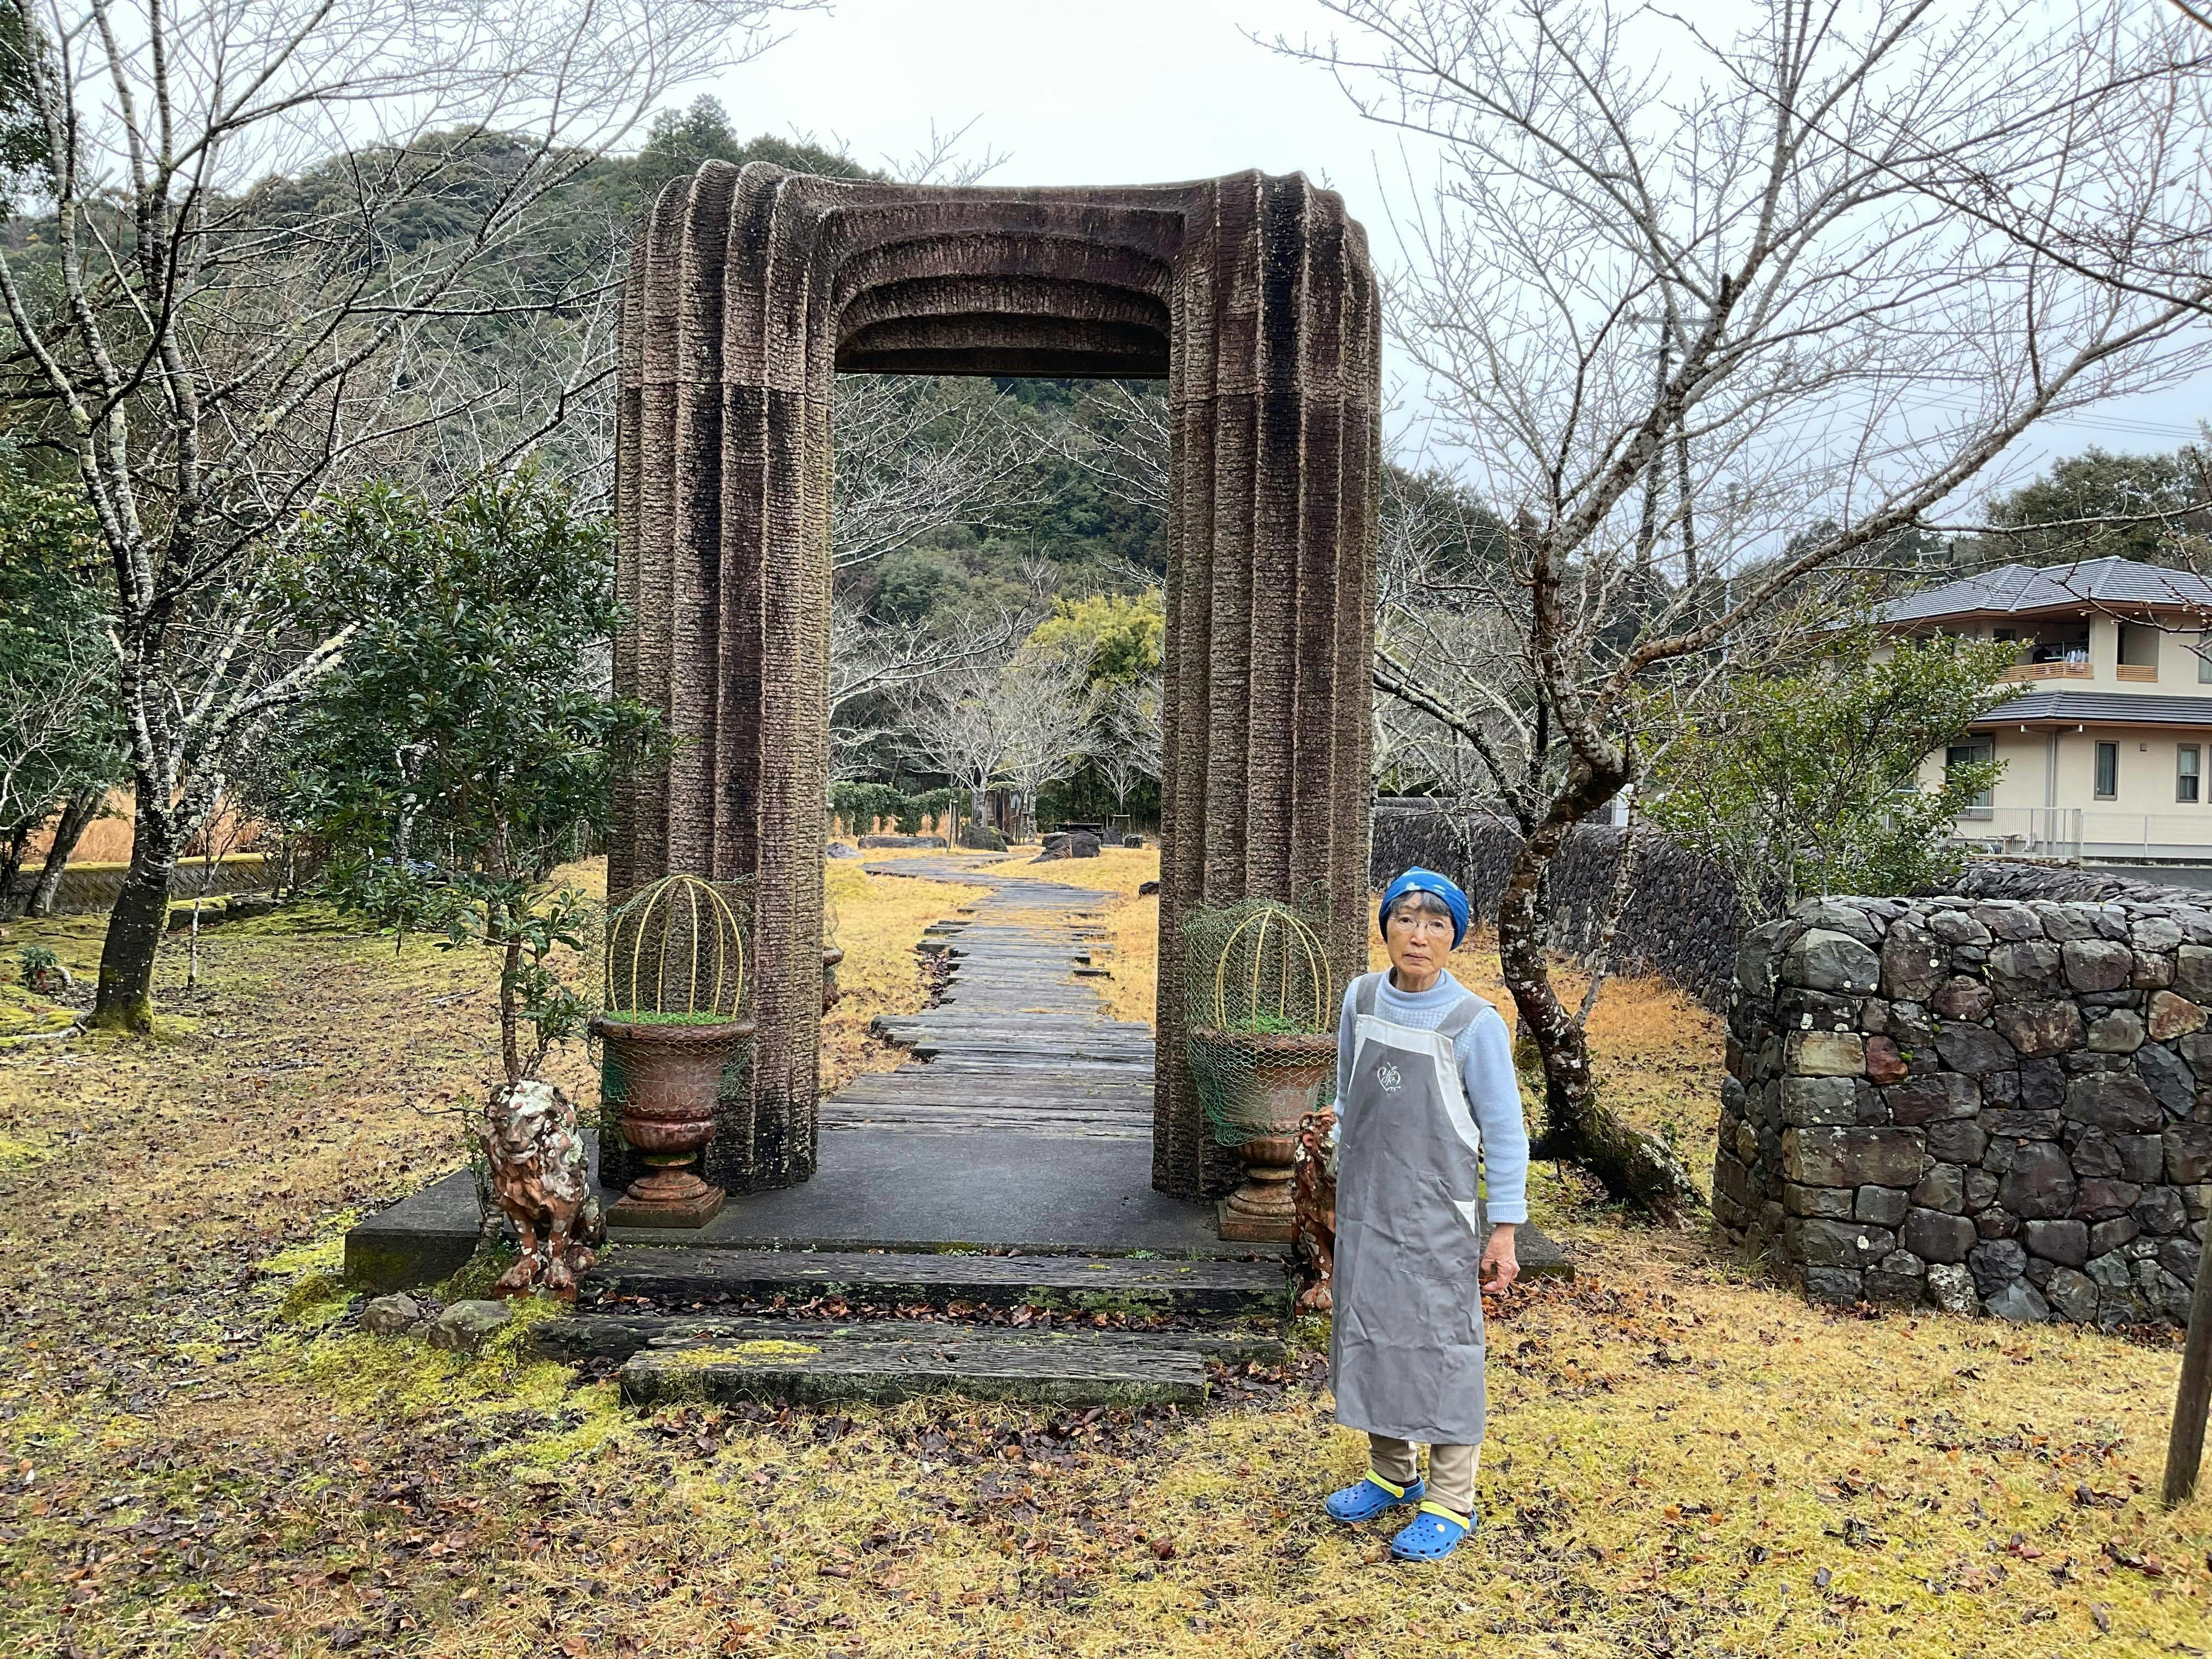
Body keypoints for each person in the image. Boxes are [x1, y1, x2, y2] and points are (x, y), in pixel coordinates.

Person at [1321, 866, 1528, 1562]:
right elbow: (1347, 1096)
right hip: (1367, 1206)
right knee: (1370, 1332)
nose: (1419, 935)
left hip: (1438, 1215)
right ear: (1385, 927)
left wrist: (1504, 1229)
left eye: (1436, 924)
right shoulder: (1360, 999)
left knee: (1443, 1348)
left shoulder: (1475, 1024)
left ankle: (1450, 1500)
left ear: (1454, 938)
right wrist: (1331, 1148)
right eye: (1406, 919)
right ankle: (1392, 1472)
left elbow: (1505, 1133)